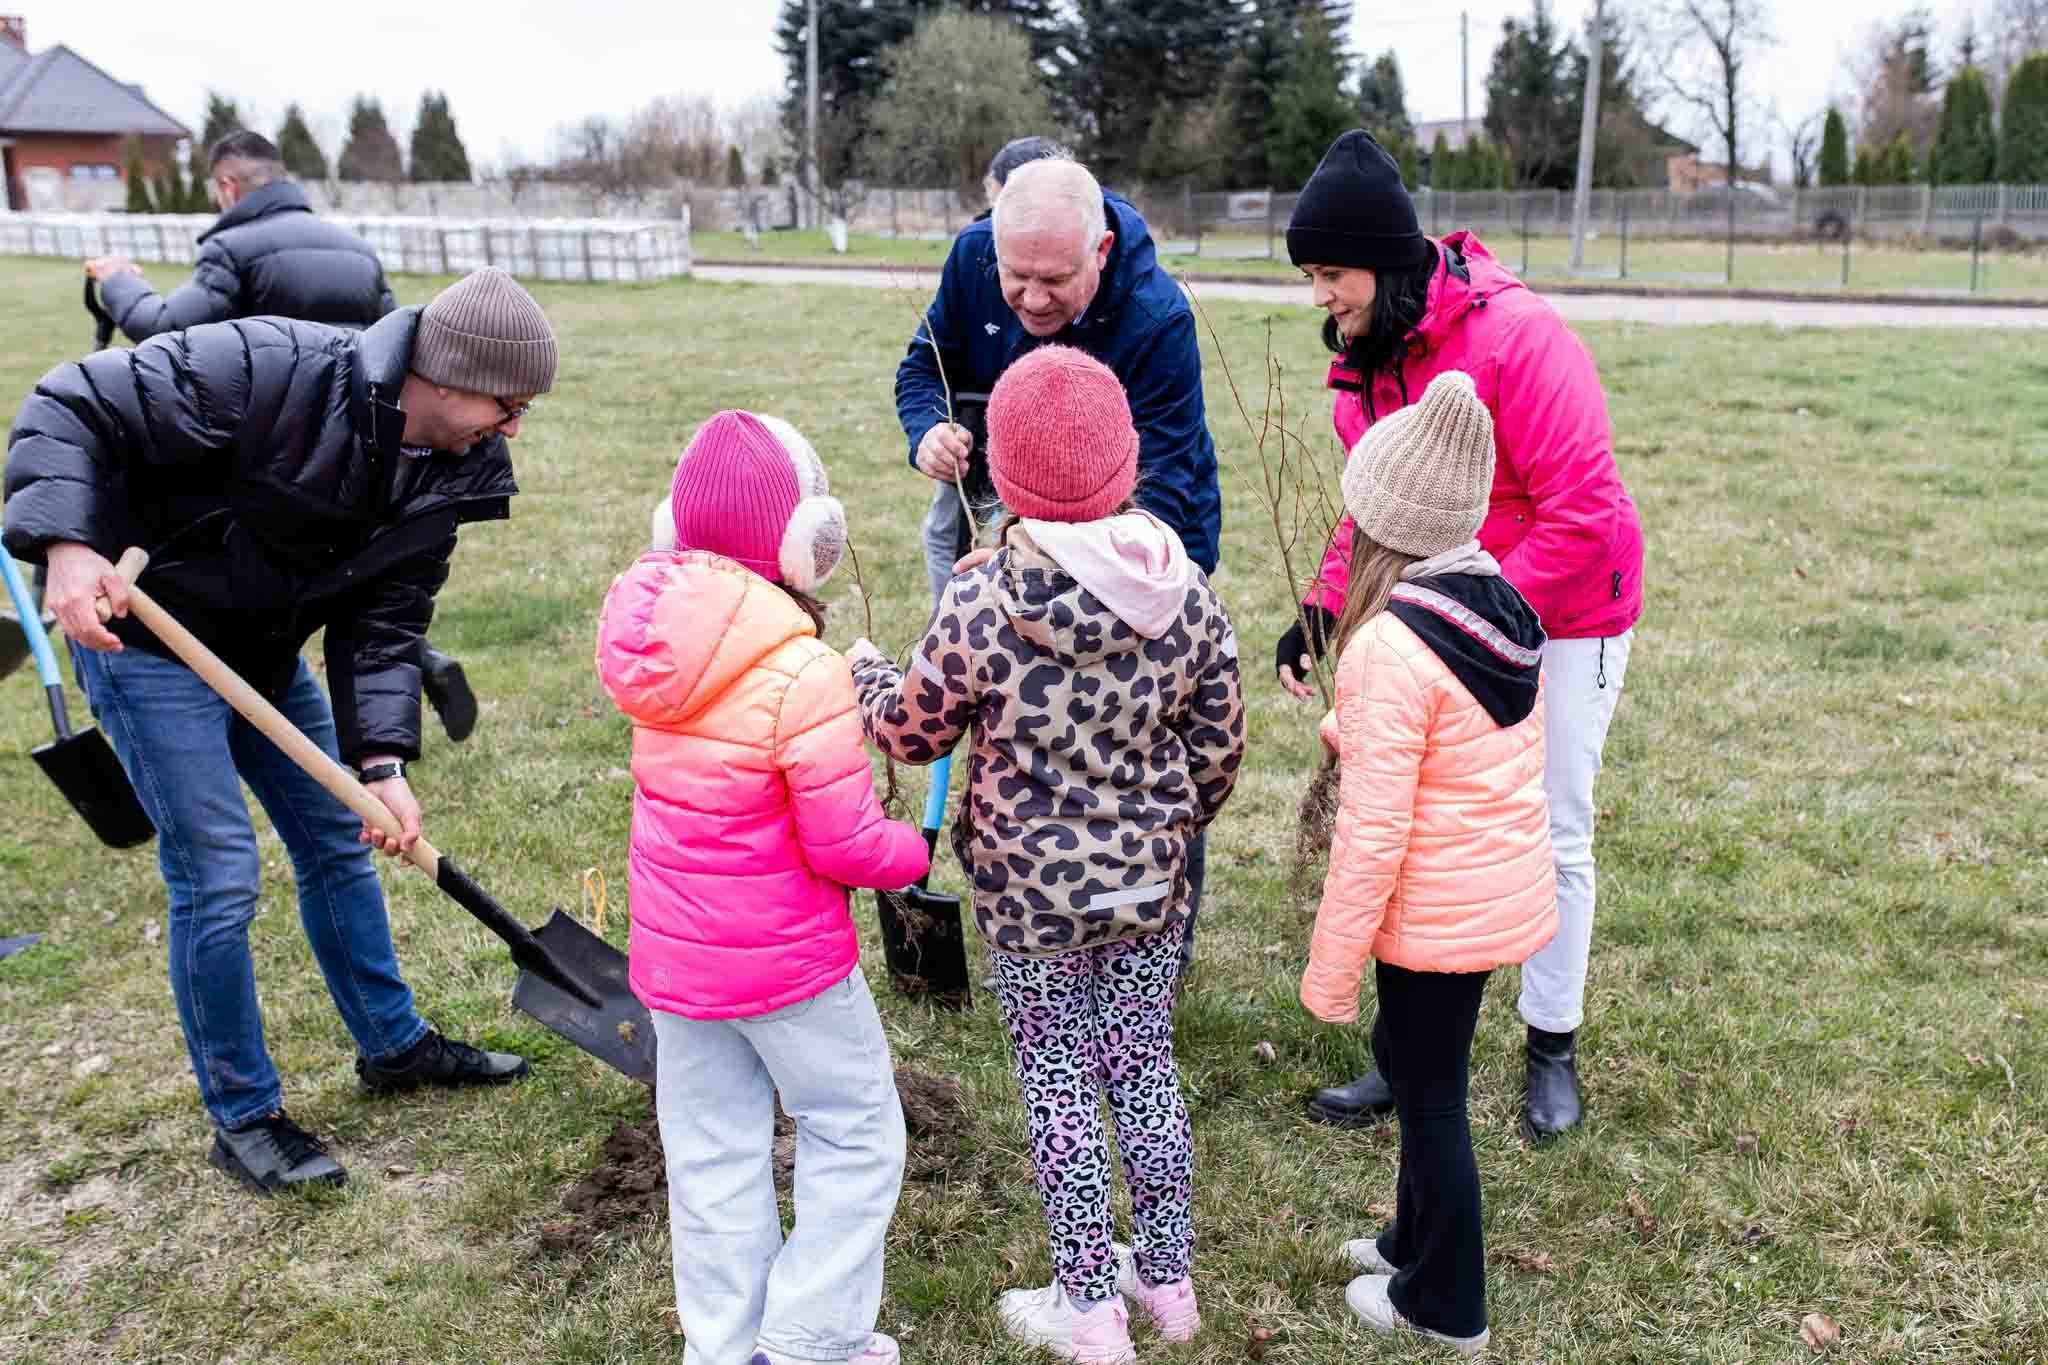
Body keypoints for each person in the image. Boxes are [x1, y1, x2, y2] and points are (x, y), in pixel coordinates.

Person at [2, 267, 557, 1193]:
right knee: (218, 872)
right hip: (146, 637)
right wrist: (65, 543)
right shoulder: (265, 367)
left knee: (341, 838)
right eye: (509, 404)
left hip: (258, 653)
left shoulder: (455, 467)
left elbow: (384, 621)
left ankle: (393, 1046)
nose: (514, 428)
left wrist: (379, 761)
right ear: (449, 373)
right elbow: (69, 401)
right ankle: (245, 1113)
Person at [852, 347, 1245, 1365]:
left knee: (1060, 1079)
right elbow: (1218, 746)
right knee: (1143, 1065)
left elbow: (910, 731)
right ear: (1126, 465)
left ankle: (1087, 1310)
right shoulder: (1182, 590)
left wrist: (866, 679)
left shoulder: (982, 598)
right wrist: (1165, 828)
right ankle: (1167, 1282)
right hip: (1151, 884)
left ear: (1004, 478)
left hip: (1029, 898)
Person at [1279, 130, 1645, 1142]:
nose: (1320, 296)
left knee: (1550, 823)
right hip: (1444, 613)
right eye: (1309, 276)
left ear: (1386, 266)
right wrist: (1321, 606)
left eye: (1330, 273)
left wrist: (1473, 623)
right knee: (1429, 833)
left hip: (1564, 613)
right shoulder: (1367, 359)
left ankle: (1550, 1044)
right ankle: (1410, 1056)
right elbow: (1377, 506)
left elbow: (1584, 509)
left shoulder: (1518, 339)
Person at [596, 411, 928, 1365]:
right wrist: (913, 850)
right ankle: (813, 1339)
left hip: (678, 970)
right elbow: (844, 842)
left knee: (710, 1153)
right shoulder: (800, 669)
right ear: (803, 543)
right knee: (857, 1130)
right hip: (792, 972)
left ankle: (725, 1345)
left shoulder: (658, 658)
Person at [895, 153, 1225, 969]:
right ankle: (1039, 923)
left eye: (1055, 280)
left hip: (1144, 549)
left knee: (1138, 748)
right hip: (1013, 534)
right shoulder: (973, 260)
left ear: (1101, 252)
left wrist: (1070, 571)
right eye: (1017, 278)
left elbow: (1170, 479)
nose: (1033, 299)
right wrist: (928, 430)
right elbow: (919, 369)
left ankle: (1156, 940)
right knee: (1023, 735)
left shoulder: (1155, 316)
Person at [1298, 368, 1557, 1359]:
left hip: (1432, 915)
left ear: (1382, 524)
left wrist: (1328, 974)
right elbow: (1452, 743)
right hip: (1490, 896)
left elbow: (1371, 835)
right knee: (1413, 1069)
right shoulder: (1494, 607)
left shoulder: (1388, 647)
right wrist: (1348, 724)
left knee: (1434, 1096)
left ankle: (1446, 1304)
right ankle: (1412, 1242)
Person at [83, 130, 478, 741]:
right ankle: (414, 660)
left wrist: (116, 284)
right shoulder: (354, 250)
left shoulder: (234, 250)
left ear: (227, 187)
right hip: (357, 463)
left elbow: (165, 333)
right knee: (356, 574)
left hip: (270, 459)